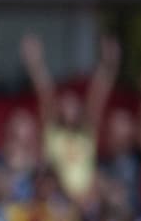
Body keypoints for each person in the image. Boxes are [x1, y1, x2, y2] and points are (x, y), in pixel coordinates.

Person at [20, 33, 119, 203]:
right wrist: (35, 64)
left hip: (86, 200)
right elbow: (45, 94)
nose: (68, 108)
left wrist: (107, 64)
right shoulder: (53, 133)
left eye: (73, 104)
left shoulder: (86, 134)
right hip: (58, 200)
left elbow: (98, 97)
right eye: (64, 104)